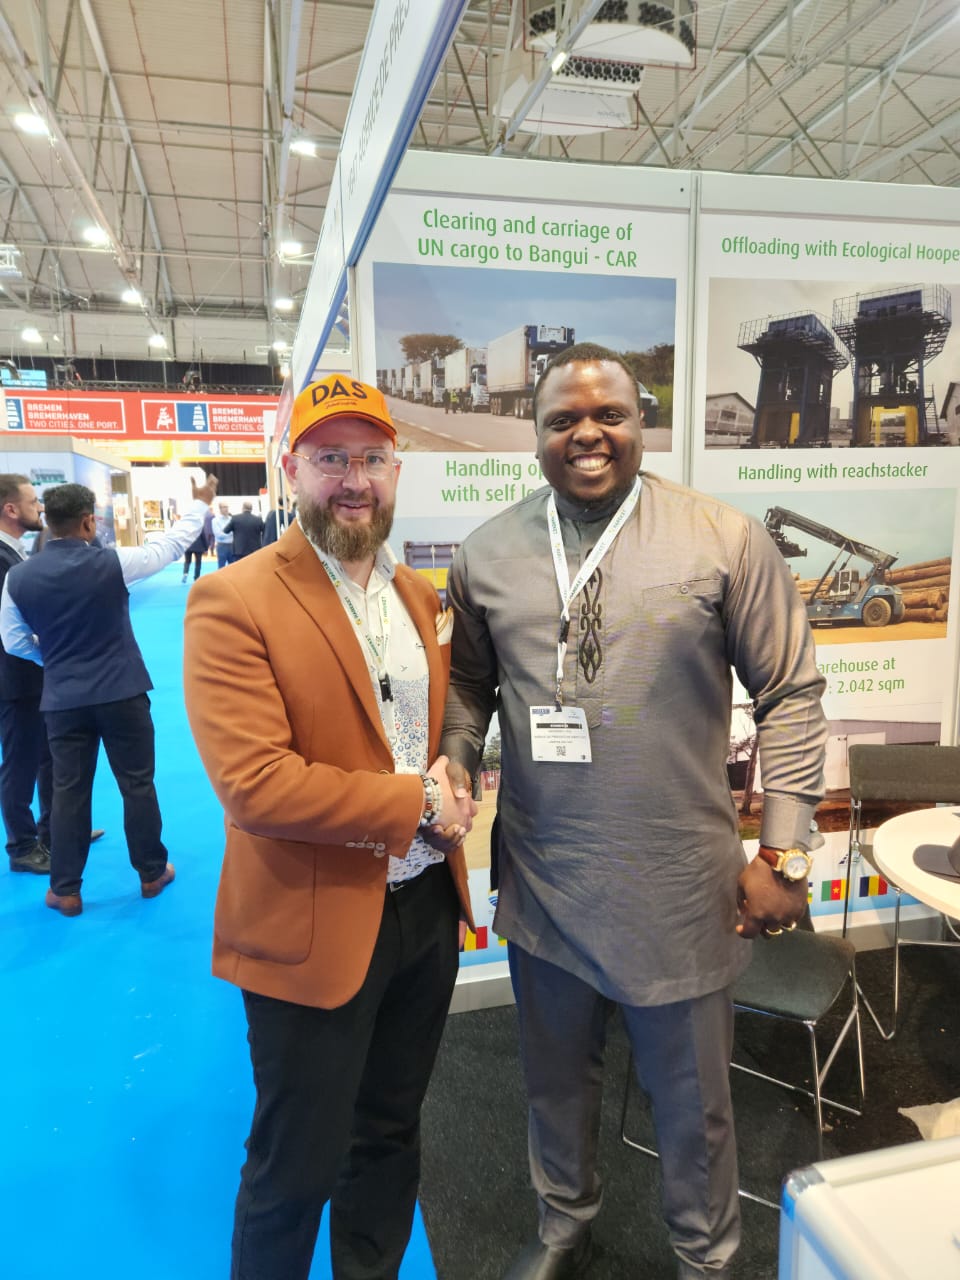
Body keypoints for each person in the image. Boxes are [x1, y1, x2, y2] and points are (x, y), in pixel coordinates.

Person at [439, 343, 828, 1280]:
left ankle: (706, 1256)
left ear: (640, 420)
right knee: (553, 1085)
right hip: (546, 879)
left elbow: (791, 694)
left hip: (679, 889)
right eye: (563, 419)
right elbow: (469, 690)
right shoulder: (487, 554)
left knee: (692, 1106)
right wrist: (455, 758)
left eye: (608, 414)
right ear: (534, 432)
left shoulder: (722, 539)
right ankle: (562, 1222)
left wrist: (785, 853)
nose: (588, 434)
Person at [182, 372, 477, 1280]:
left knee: (390, 1135)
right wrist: (417, 803)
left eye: (373, 459)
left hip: (424, 909)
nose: (355, 480)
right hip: (311, 921)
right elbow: (256, 785)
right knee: (296, 1162)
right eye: (331, 459)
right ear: (292, 469)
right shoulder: (234, 600)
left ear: (397, 470)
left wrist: (455, 775)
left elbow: (433, 729)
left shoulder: (418, 595)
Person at [0, 474, 219, 917]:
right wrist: (199, 504)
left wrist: (54, 660)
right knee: (137, 785)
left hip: (63, 699)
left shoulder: (18, 578)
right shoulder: (114, 563)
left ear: (49, 521)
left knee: (68, 791)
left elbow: (14, 642)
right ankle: (151, 873)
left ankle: (66, 890)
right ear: (87, 522)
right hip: (123, 692)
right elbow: (170, 546)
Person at [0, 474, 52, 873]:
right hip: (14, 680)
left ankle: (54, 828)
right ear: (11, 509)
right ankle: (21, 845)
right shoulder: (3, 558)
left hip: (32, 675)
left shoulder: (15, 553)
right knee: (19, 763)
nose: (40, 509)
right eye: (33, 502)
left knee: (48, 756)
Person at [181, 507, 213, 583]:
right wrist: (206, 547)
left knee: (187, 561)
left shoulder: (184, 525)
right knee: (198, 562)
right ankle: (196, 577)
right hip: (198, 546)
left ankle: (185, 573)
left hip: (188, 545)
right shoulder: (199, 524)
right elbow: (203, 536)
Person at [211, 501, 236, 569]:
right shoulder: (215, 520)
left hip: (232, 546)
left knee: (233, 567)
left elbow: (235, 532)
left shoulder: (232, 519)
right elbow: (218, 535)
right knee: (221, 567)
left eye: (227, 507)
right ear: (220, 508)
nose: (226, 509)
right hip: (222, 546)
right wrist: (230, 533)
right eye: (224, 507)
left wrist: (225, 532)